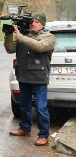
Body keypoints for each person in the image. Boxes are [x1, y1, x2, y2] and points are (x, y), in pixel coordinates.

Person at [4, 13, 56, 146]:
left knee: (40, 107)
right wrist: (8, 34)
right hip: (23, 77)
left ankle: (44, 135)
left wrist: (20, 37)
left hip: (39, 79)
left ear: (43, 24)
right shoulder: (24, 36)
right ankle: (25, 128)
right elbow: (10, 49)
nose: (33, 23)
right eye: (32, 21)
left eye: (37, 22)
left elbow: (39, 47)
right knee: (24, 105)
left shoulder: (49, 37)